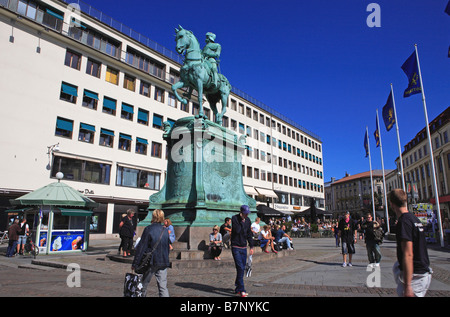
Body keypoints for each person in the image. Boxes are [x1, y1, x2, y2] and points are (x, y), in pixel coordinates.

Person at [388, 189, 432, 297]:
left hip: (415, 275)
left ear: (391, 204)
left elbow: (408, 254)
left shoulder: (404, 222)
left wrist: (407, 285)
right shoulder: (414, 219)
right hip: (422, 270)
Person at [132, 209, 171, 297]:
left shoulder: (148, 229)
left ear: (153, 216)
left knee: (143, 285)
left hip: (151, 261)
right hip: (163, 261)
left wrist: (135, 263)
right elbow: (167, 247)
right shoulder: (165, 230)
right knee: (163, 287)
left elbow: (142, 247)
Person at [230, 205, 254, 297]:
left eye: (247, 213)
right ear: (241, 213)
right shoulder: (235, 219)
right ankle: (242, 289)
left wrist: (251, 246)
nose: (246, 215)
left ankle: (237, 286)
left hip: (243, 246)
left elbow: (249, 234)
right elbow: (237, 231)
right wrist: (242, 221)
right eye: (245, 213)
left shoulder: (248, 220)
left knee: (242, 267)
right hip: (235, 246)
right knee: (240, 267)